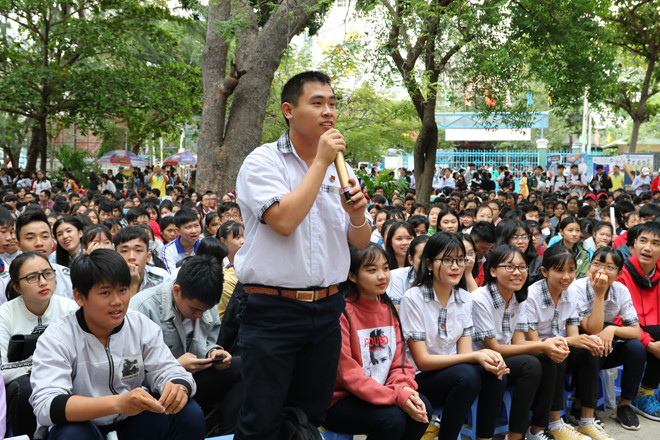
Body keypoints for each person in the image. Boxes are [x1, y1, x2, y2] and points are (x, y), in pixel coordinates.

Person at [233, 71, 370, 440]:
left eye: (332, 103)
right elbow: (284, 220)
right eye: (318, 103)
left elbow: (361, 240)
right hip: (272, 311)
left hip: (327, 310)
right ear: (288, 110)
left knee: (308, 417)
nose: (329, 112)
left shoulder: (342, 168)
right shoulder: (262, 162)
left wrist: (357, 215)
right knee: (261, 418)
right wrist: (321, 163)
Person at [28, 249, 204, 439]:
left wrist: (178, 387)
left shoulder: (140, 325)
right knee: (72, 434)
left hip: (132, 419)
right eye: (105, 292)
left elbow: (168, 369)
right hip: (84, 423)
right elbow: (47, 404)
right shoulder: (57, 337)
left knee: (188, 412)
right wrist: (117, 403)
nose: (118, 302)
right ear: (79, 297)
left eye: (123, 290)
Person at [399, 232, 508, 440]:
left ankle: (484, 438)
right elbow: (422, 361)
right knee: (468, 375)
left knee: (494, 372)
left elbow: (465, 353)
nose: (456, 266)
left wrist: (486, 358)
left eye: (460, 259)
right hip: (417, 379)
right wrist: (477, 356)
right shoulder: (413, 298)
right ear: (429, 264)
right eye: (447, 260)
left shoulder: (465, 299)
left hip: (452, 374)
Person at [324, 244, 430, 439]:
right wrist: (395, 396)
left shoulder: (387, 309)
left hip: (382, 392)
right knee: (392, 419)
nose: (382, 276)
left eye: (386, 268)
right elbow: (348, 375)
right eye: (372, 270)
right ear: (352, 275)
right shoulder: (341, 312)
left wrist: (404, 389)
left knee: (423, 409)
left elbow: (400, 364)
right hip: (340, 400)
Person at [130, 255, 242, 435]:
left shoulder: (204, 301)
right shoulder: (142, 307)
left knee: (244, 366)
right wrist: (175, 366)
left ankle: (227, 435)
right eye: (194, 310)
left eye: (204, 310)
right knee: (188, 409)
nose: (199, 315)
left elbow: (209, 340)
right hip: (159, 389)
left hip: (195, 379)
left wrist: (214, 352)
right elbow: (131, 372)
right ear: (176, 290)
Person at [521, 245, 612, 440]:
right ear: (545, 271)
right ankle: (554, 423)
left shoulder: (570, 294)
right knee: (556, 354)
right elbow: (533, 340)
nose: (567, 277)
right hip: (537, 351)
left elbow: (572, 334)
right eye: (559, 270)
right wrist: (571, 341)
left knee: (590, 349)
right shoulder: (531, 296)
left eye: (571, 270)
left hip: (559, 345)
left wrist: (584, 340)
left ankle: (586, 421)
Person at [472, 244, 562, 440]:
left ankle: (536, 429)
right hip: (479, 361)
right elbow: (494, 347)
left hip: (505, 359)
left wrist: (546, 346)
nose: (518, 273)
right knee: (531, 363)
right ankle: (515, 436)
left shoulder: (517, 298)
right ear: (493, 271)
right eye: (510, 267)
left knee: (546, 359)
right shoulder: (480, 299)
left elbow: (517, 342)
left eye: (522, 267)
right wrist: (541, 344)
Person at [0, 252, 79, 437]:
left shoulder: (70, 309)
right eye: (32, 278)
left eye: (47, 273)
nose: (43, 282)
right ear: (16, 286)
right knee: (26, 388)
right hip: (22, 386)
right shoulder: (5, 315)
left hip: (66, 376)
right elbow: (2, 370)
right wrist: (40, 369)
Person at [569, 246, 645, 430]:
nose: (602, 271)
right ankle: (581, 406)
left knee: (636, 348)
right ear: (589, 267)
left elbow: (636, 331)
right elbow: (592, 329)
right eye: (597, 264)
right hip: (579, 342)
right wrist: (599, 294)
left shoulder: (621, 290)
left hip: (605, 340)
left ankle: (625, 405)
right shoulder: (576, 288)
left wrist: (612, 330)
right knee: (592, 345)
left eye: (609, 267)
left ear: (618, 273)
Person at [615, 221, 660, 421]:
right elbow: (616, 318)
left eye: (656, 243)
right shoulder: (620, 273)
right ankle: (640, 396)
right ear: (634, 244)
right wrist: (649, 344)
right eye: (643, 241)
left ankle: (645, 394)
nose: (648, 248)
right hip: (625, 332)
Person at [9, 209, 74, 304]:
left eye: (44, 237)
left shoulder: (68, 278)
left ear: (52, 242)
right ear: (18, 244)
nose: (39, 243)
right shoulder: (6, 280)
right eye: (30, 238)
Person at [113, 227, 171, 295]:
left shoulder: (161, 278)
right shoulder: (109, 281)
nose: (131, 257)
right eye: (124, 251)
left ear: (148, 257)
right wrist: (133, 285)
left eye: (138, 250)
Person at [386, 234, 429, 306]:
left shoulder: (442, 277)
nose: (427, 261)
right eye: (422, 258)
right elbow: (397, 309)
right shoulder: (396, 276)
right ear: (411, 259)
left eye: (431, 257)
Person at [160, 208, 202, 274]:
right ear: (178, 231)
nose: (194, 231)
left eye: (196, 226)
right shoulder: (168, 250)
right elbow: (171, 277)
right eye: (188, 227)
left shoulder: (205, 245)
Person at [217, 221, 244, 320]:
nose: (243, 241)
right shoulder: (225, 276)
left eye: (244, 236)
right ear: (223, 241)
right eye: (237, 238)